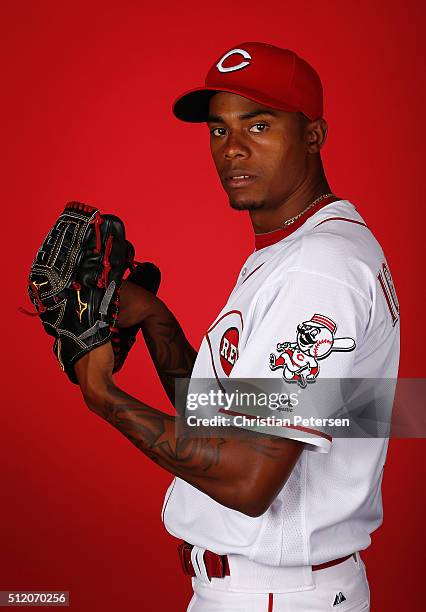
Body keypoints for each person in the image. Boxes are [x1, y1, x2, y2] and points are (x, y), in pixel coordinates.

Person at [74, 42, 400, 611]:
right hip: (269, 589)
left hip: (278, 593)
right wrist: (157, 318)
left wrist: (103, 395)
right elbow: (221, 419)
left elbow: (250, 479)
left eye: (259, 124)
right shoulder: (298, 248)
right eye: (219, 130)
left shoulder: (321, 268)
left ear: (313, 136)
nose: (234, 149)